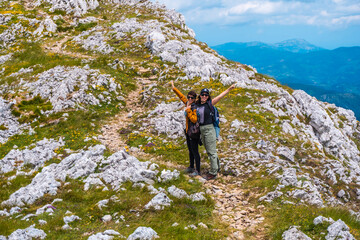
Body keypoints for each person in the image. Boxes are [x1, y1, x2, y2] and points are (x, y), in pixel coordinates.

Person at [196, 84, 235, 180]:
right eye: (203, 94)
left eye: (206, 95)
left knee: (211, 151)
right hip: (201, 129)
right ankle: (216, 168)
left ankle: (213, 173)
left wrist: (229, 89)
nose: (204, 96)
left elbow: (220, 96)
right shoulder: (197, 105)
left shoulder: (210, 104)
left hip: (209, 129)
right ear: (200, 95)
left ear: (208, 96)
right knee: (210, 150)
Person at [170, 81, 201, 176]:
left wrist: (188, 111)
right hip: (188, 131)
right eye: (189, 97)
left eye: (192, 98)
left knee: (195, 151)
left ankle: (198, 170)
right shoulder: (187, 103)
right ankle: (191, 167)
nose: (189, 99)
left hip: (194, 132)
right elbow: (181, 97)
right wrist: (174, 88)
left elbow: (194, 120)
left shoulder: (194, 107)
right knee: (190, 150)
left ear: (195, 99)